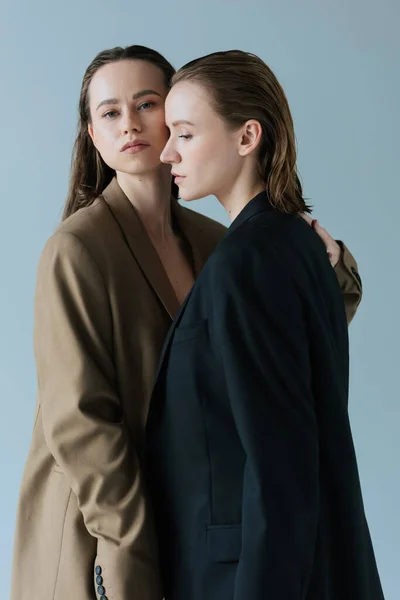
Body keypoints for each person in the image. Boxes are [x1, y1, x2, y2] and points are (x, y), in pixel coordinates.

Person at [11, 45, 361, 600]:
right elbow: (82, 424)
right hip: (103, 538)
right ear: (93, 136)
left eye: (146, 104)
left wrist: (325, 259)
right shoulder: (77, 248)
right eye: (108, 113)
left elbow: (271, 346)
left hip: (191, 530)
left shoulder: (216, 239)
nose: (130, 124)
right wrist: (128, 556)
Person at [145, 50, 384, 600]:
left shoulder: (246, 261)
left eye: (184, 133)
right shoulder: (297, 242)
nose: (166, 152)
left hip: (247, 577)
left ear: (247, 136)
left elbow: (279, 464)